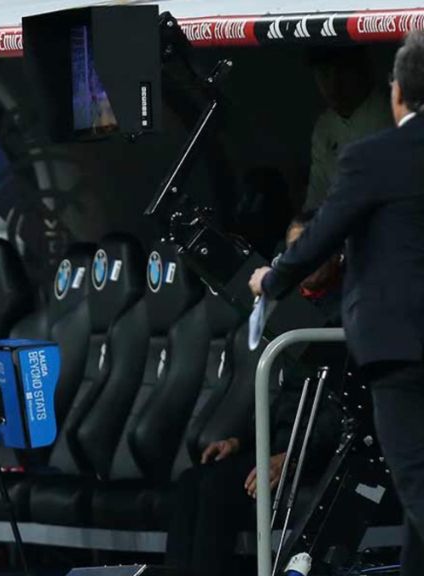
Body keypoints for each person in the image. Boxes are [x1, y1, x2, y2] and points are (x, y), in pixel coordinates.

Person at [249, 30, 424, 575]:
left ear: (397, 94)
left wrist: (270, 279)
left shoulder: (375, 155)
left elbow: (320, 236)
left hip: (400, 349)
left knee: (416, 482)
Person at [168, 212, 343, 576]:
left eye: (309, 247)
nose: (301, 257)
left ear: (336, 252)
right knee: (190, 482)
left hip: (319, 457)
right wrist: (241, 440)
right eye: (294, 249)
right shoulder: (288, 309)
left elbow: (343, 411)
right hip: (279, 447)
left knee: (216, 489)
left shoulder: (345, 312)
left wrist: (294, 457)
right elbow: (282, 399)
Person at [303, 46, 393, 210]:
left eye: (342, 72)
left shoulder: (387, 115)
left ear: (362, 70)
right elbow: (316, 199)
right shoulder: (324, 126)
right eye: (324, 73)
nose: (333, 84)